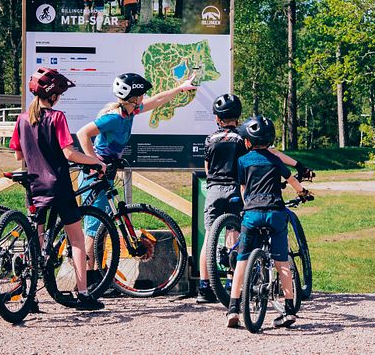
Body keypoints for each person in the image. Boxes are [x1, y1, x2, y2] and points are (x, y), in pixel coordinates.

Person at [76, 72, 197, 280]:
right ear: (134, 97)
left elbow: (156, 101)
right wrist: (96, 162)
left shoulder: (129, 112)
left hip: (106, 174)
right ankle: (89, 278)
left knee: (102, 225)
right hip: (94, 175)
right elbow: (82, 134)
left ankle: (95, 276)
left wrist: (180, 88)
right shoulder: (113, 117)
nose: (144, 97)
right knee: (93, 228)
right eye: (141, 94)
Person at [197, 94, 313, 304]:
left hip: (213, 188)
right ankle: (232, 282)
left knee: (209, 237)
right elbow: (270, 153)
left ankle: (204, 287)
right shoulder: (243, 138)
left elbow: (206, 168)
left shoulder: (209, 139)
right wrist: (298, 165)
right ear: (238, 117)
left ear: (217, 119)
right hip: (235, 188)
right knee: (234, 232)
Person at [9, 67, 107, 311]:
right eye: (59, 94)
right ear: (52, 96)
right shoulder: (57, 117)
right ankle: (83, 294)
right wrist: (95, 161)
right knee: (76, 239)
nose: (60, 98)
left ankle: (29, 296)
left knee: (37, 240)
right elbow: (68, 153)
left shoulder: (22, 119)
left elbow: (18, 154)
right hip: (59, 185)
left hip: (34, 185)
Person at [225, 115, 312, 328]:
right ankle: (289, 310)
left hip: (252, 215)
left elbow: (243, 189)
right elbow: (291, 180)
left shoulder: (242, 161)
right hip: (275, 213)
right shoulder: (275, 160)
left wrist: (248, 207)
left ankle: (233, 308)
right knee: (282, 261)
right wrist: (303, 192)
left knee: (242, 261)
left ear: (247, 142)